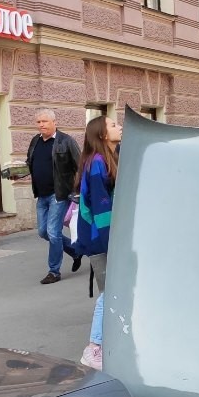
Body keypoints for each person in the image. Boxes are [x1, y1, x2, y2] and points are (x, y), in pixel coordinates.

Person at [74, 115, 122, 370]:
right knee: (107, 294)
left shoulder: (108, 158)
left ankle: (105, 343)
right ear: (102, 135)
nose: (120, 127)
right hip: (99, 239)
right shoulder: (98, 163)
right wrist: (111, 242)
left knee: (113, 291)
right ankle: (93, 348)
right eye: (114, 125)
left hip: (103, 237)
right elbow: (101, 209)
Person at [26, 108, 82, 285]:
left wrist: (78, 189)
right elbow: (30, 163)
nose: (41, 125)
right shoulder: (35, 141)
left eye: (44, 121)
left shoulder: (66, 141)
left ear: (54, 123)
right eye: (38, 122)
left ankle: (54, 271)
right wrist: (18, 173)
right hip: (41, 194)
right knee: (43, 232)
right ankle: (75, 250)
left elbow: (79, 165)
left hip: (59, 194)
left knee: (53, 232)